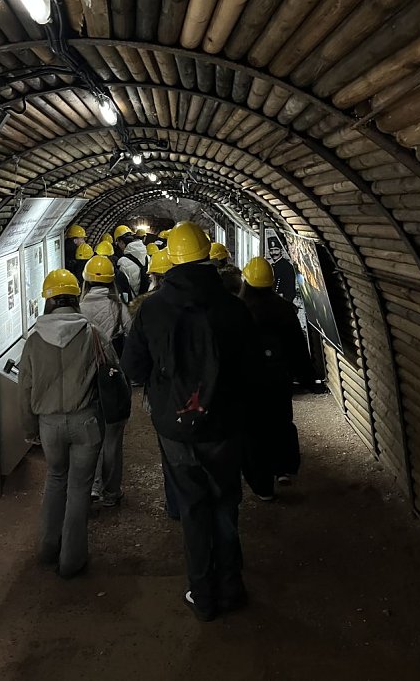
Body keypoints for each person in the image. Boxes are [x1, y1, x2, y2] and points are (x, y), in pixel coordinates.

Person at [122, 222, 264, 622]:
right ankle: (231, 586)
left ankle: (203, 594)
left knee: (193, 507)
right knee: (225, 504)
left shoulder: (151, 308)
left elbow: (133, 367)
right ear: (206, 256)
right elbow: (253, 372)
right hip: (225, 426)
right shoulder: (234, 308)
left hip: (176, 429)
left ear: (171, 261)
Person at [18, 269, 109, 579]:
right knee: (80, 488)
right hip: (86, 421)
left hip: (50, 425)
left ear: (49, 301)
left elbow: (25, 388)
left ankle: (47, 548)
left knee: (55, 479)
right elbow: (113, 372)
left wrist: (30, 428)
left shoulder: (33, 340)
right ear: (76, 298)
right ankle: (72, 560)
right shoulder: (92, 333)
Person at [239, 257, 314, 499]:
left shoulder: (239, 310)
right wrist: (307, 378)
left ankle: (263, 487)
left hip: (249, 383)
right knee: (281, 422)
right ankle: (284, 469)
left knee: (253, 431)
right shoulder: (284, 309)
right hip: (279, 379)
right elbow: (298, 348)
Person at [128, 247, 179, 521]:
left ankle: (176, 505)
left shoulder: (147, 308)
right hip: (204, 395)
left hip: (163, 392)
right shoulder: (211, 303)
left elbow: (134, 364)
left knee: (171, 451)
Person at [80, 255, 132, 507]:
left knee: (90, 436)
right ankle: (112, 491)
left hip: (86, 379)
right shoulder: (118, 306)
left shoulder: (78, 309)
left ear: (86, 281)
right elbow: (131, 335)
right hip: (111, 378)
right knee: (112, 437)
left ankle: (91, 486)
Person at [114, 226, 149, 299]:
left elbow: (123, 288)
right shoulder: (147, 257)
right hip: (147, 301)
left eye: (118, 243)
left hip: (133, 304)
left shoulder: (122, 262)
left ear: (121, 241)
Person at [267, 236, 296, 302]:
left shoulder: (287, 267)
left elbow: (291, 291)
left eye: (276, 250)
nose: (273, 253)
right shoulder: (273, 265)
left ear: (281, 250)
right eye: (271, 250)